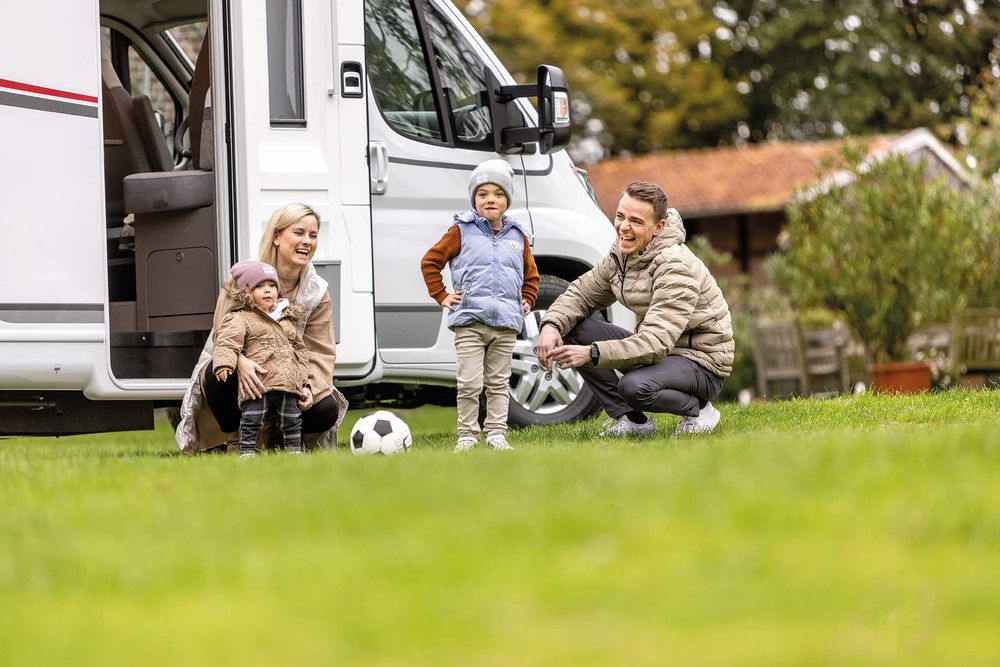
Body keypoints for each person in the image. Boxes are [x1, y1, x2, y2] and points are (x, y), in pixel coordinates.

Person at [537, 181, 733, 436]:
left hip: (701, 361)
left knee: (634, 387)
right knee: (570, 326)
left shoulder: (675, 266)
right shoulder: (622, 255)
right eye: (620, 217)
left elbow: (655, 342)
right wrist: (551, 325)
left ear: (659, 227)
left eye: (636, 221)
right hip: (665, 353)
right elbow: (581, 293)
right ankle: (633, 423)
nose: (624, 227)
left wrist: (592, 353)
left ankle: (699, 409)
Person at [175, 203, 349, 454]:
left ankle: (279, 438)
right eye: (298, 233)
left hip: (289, 379)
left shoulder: (316, 293)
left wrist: (310, 388)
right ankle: (237, 439)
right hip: (246, 373)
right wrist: (241, 362)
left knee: (326, 409)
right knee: (218, 375)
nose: (307, 242)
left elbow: (321, 352)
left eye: (313, 235)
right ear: (277, 236)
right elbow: (223, 331)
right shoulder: (243, 276)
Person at [421, 159, 539, 452]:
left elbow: (531, 275)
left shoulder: (518, 236)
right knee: (470, 383)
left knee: (499, 383)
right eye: (483, 193)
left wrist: (527, 299)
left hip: (506, 325)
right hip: (470, 322)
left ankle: (497, 432)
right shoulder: (461, 231)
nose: (490, 199)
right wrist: (443, 296)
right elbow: (430, 262)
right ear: (474, 199)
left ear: (507, 200)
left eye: (498, 193)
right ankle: (467, 434)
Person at [212, 260, 310, 457]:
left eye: (272, 286)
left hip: (287, 382)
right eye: (260, 286)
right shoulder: (241, 318)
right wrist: (224, 363)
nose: (268, 291)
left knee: (292, 419)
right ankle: (246, 451)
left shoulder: (286, 318)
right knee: (251, 418)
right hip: (257, 382)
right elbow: (228, 341)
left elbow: (299, 350)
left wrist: (302, 378)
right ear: (246, 292)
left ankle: (294, 450)